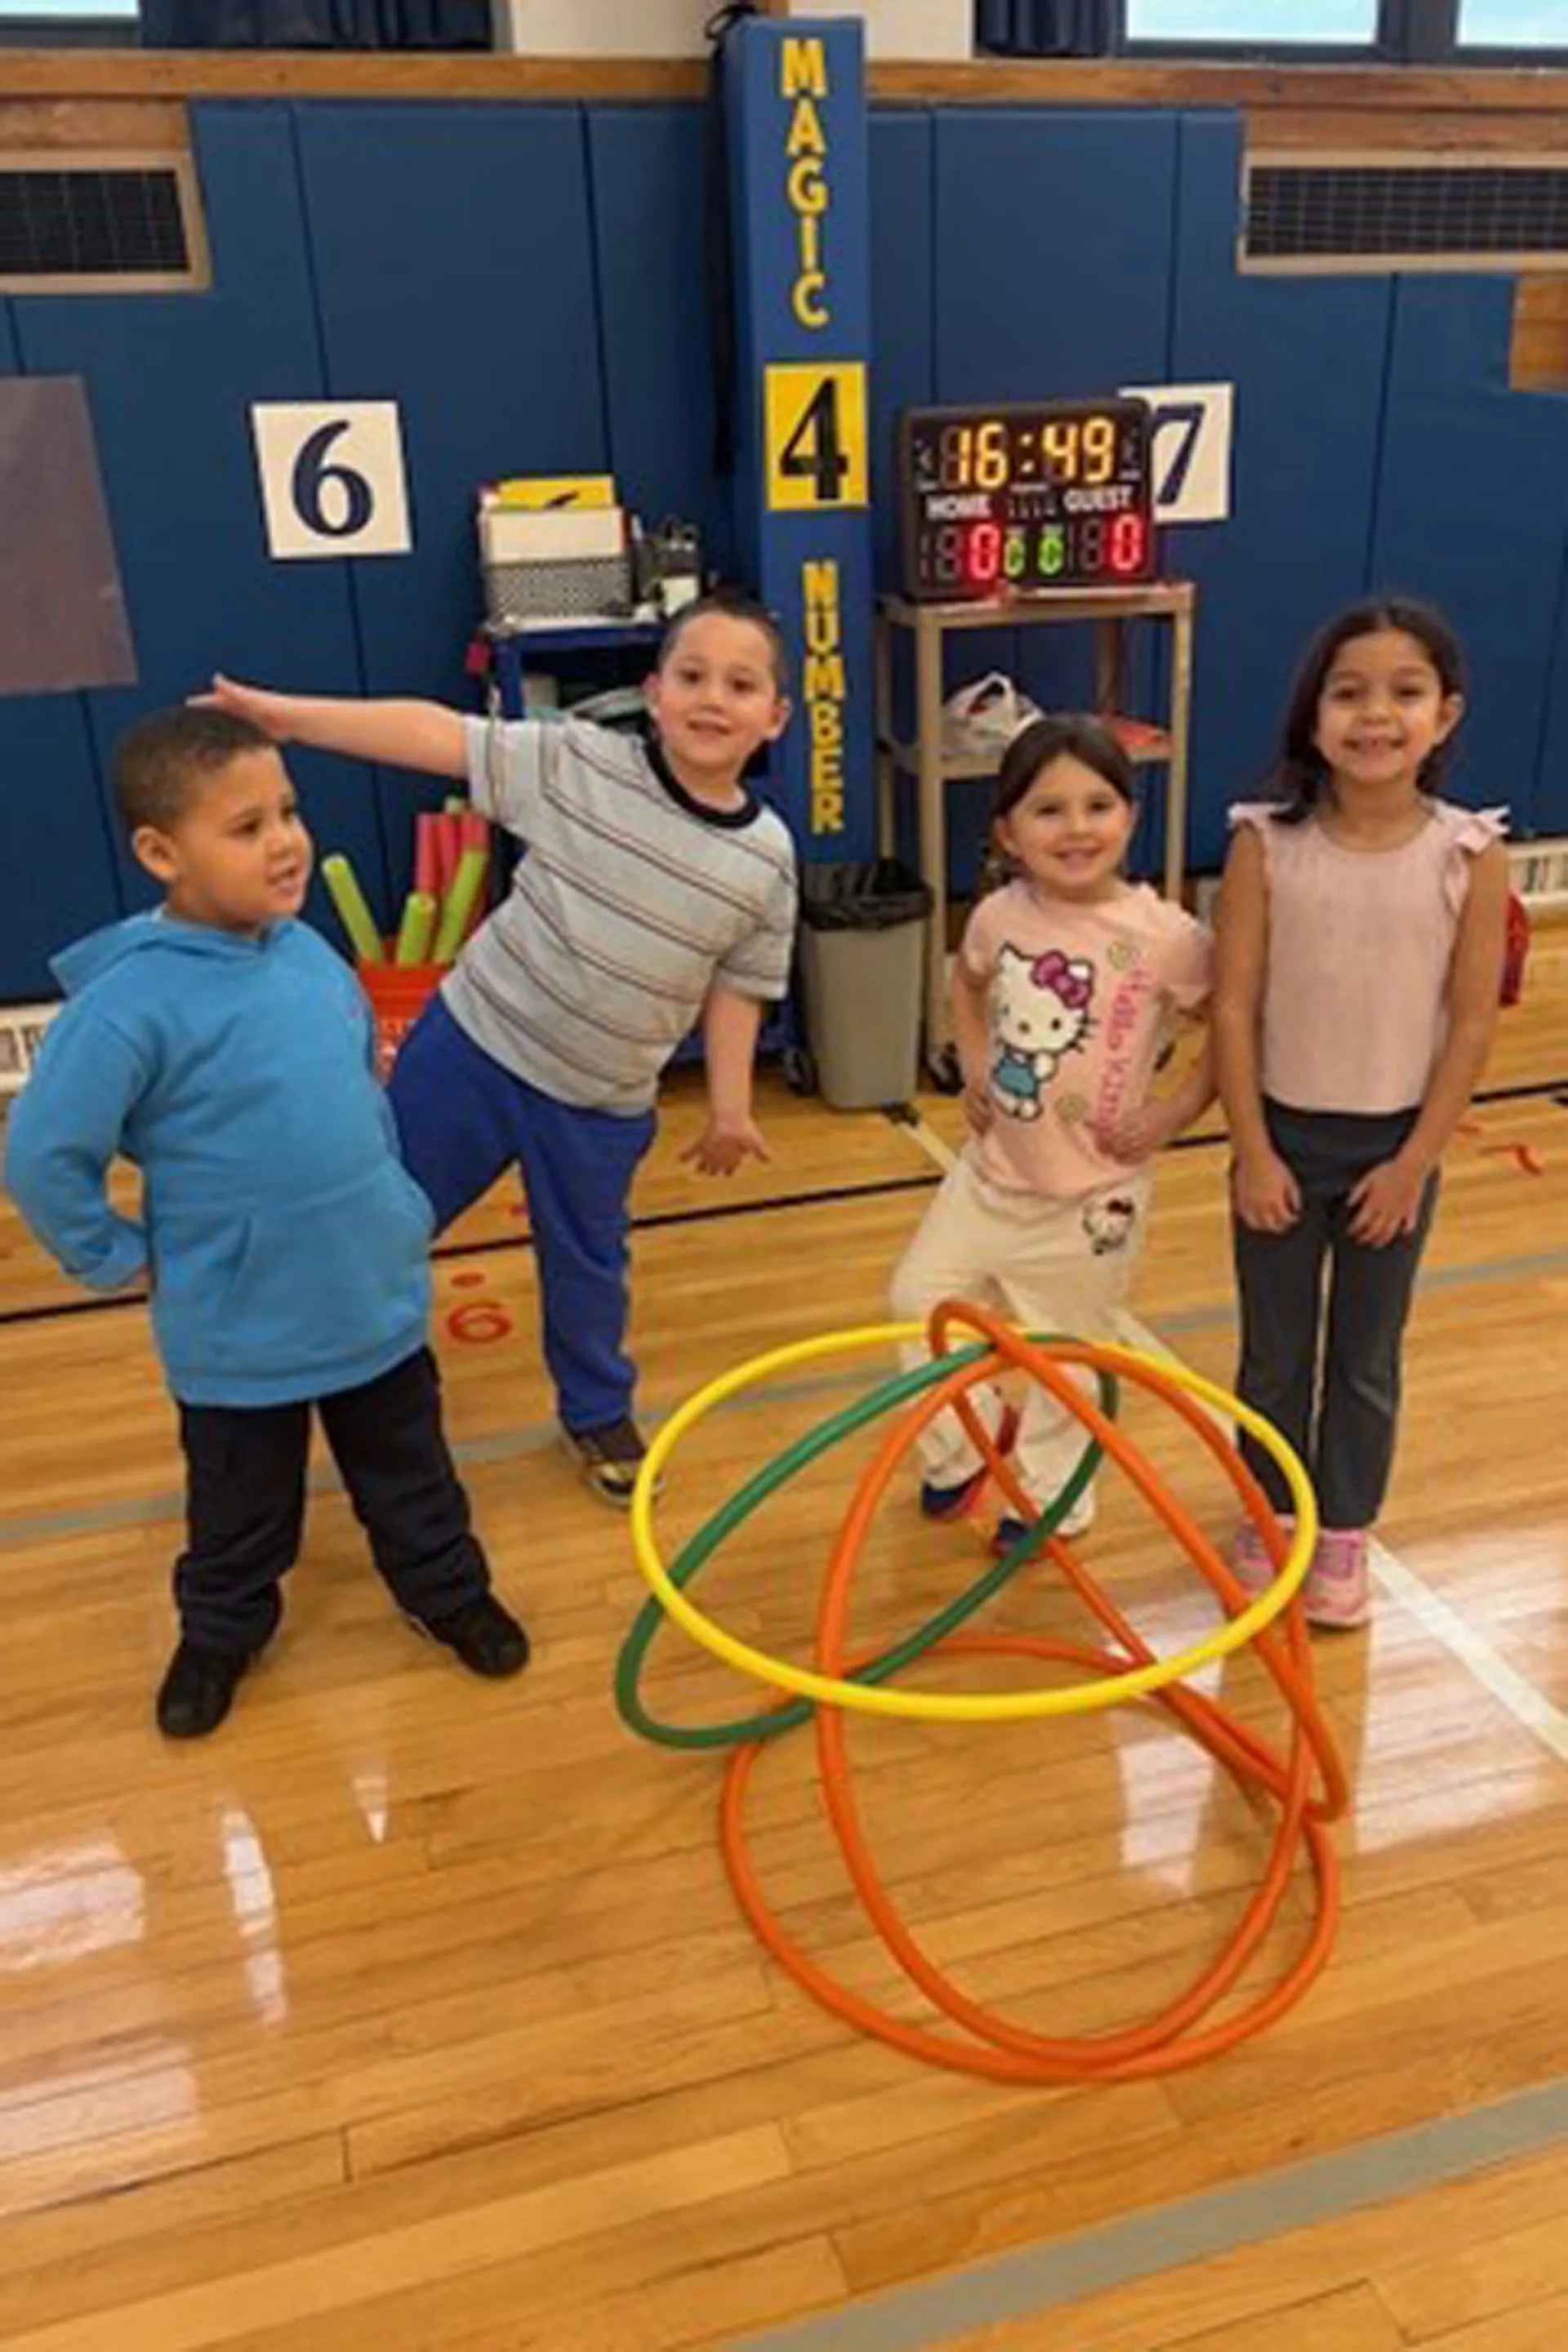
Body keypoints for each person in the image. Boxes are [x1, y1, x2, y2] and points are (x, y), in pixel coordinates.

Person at [200, 588, 798, 1503]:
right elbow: (436, 734)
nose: (713, 698)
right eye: (691, 675)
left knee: (590, 1268)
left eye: (740, 683)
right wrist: (289, 721)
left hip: (601, 1104)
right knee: (383, 1216)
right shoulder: (579, 764)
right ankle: (315, 1355)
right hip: (472, 1050)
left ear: (775, 716)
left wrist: (729, 1107)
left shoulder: (767, 858)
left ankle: (597, 1410)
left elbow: (740, 986)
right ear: (653, 689)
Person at [5, 707, 528, 1739]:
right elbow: (41, 1154)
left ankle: (445, 1592)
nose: (286, 841)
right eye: (245, 828)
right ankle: (222, 1631)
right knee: (241, 1509)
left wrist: (397, 1204)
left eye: (286, 812)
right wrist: (111, 1256)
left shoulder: (308, 956)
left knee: (412, 1470)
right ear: (162, 852)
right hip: (237, 1331)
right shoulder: (125, 1006)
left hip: (369, 1296)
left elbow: (355, 1093)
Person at [1214, 598, 1508, 1629]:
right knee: (1275, 1353)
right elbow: (1235, 1006)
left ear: (1446, 713)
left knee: (1367, 1356)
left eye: (1404, 693)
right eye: (1349, 692)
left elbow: (1471, 1025)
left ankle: (1343, 1530)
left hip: (1392, 1151)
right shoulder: (1264, 844)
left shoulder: (1469, 854)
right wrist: (1251, 1149)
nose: (1375, 715)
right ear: (1313, 715)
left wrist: (1415, 1163)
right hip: (1282, 1143)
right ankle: (1271, 1513)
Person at [889, 715, 1214, 1548]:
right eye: (1048, 810)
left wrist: (1173, 1112)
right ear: (1007, 831)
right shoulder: (999, 916)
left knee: (1067, 1356)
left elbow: (1234, 1028)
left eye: (1098, 805)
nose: (1076, 829)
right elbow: (965, 985)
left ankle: (1052, 1498)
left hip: (1092, 1201)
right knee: (916, 1301)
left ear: (1131, 817)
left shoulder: (1167, 937)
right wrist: (972, 1063)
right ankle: (958, 1458)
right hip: (990, 1178)